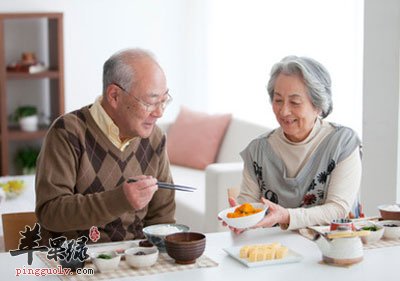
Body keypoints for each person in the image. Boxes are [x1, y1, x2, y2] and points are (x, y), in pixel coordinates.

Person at [35, 48, 176, 244]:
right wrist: (119, 200)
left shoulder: (155, 138)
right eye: (151, 102)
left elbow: (163, 220)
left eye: (164, 100)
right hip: (76, 262)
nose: (159, 112)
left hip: (136, 262)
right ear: (114, 96)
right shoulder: (67, 132)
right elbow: (50, 212)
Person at [228, 56, 362, 232]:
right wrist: (240, 219)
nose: (284, 111)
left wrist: (287, 216)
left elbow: (338, 209)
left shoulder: (342, 142)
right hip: (276, 251)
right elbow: (249, 204)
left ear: (318, 106)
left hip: (331, 249)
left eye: (295, 102)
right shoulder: (258, 150)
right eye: (278, 100)